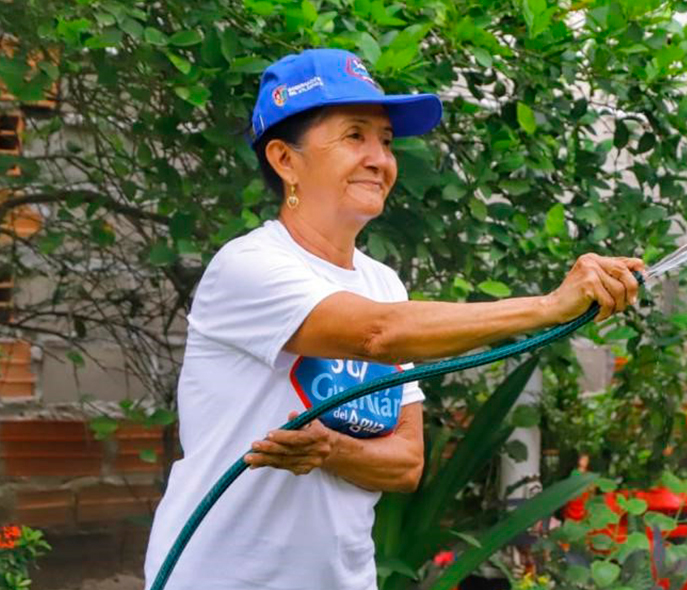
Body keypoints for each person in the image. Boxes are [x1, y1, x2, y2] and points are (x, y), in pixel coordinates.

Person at [142, 48, 643, 590]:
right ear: (285, 159)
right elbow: (377, 334)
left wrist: (332, 450)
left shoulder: (382, 285)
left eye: (385, 140)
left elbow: (404, 464)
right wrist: (548, 307)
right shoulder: (248, 268)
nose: (380, 158)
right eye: (354, 135)